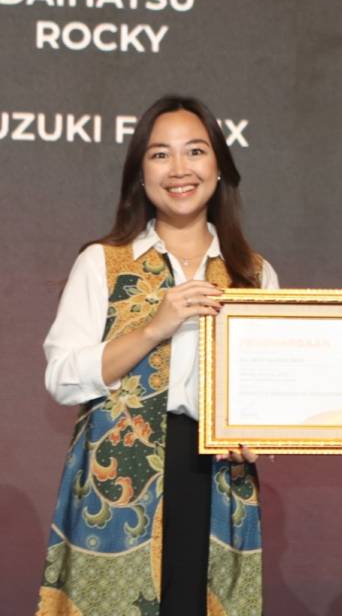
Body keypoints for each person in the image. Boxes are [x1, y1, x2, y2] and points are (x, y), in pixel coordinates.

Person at [36, 95, 278, 616]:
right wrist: (153, 329)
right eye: (160, 154)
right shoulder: (102, 262)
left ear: (219, 166)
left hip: (217, 479)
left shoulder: (253, 273)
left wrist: (260, 435)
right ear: (140, 173)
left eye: (195, 151)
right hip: (118, 481)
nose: (179, 169)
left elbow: (267, 392)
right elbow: (62, 378)